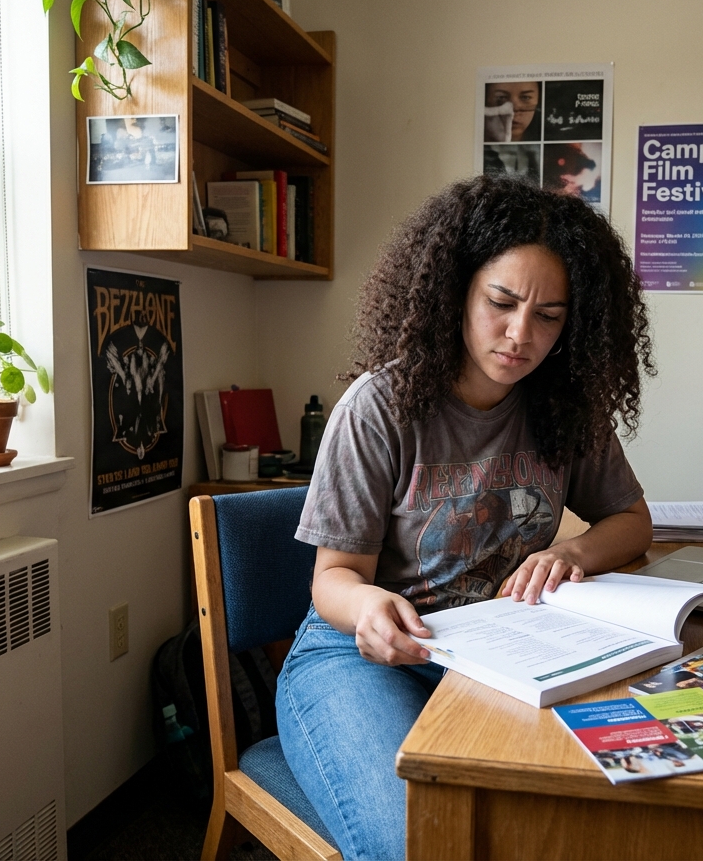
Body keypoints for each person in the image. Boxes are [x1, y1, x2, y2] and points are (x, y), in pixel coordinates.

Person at [276, 174, 655, 860]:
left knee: (581, 822)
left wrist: (576, 554)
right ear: (456, 292)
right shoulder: (380, 407)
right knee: (414, 842)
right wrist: (367, 609)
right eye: (501, 303)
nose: (521, 335)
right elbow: (332, 578)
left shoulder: (564, 406)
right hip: (365, 657)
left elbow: (631, 519)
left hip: (501, 654)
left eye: (550, 316)